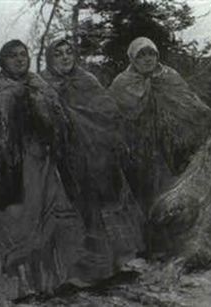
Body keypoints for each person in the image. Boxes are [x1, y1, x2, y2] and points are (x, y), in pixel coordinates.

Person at [0, 39, 87, 299]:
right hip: (3, 168)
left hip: (38, 164)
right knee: (10, 218)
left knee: (42, 216)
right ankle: (12, 284)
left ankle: (43, 281)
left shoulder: (39, 85)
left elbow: (58, 122)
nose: (20, 60)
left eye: (23, 55)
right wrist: (9, 101)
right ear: (2, 60)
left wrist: (44, 117)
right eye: (13, 56)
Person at [40, 38, 144, 280]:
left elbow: (108, 112)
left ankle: (107, 265)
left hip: (94, 158)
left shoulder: (87, 81)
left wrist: (92, 129)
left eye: (69, 52)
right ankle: (68, 268)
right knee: (68, 208)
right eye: (59, 54)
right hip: (60, 158)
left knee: (97, 208)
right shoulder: (43, 84)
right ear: (49, 58)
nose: (65, 58)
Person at [109, 37, 211, 210]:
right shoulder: (122, 84)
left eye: (152, 54)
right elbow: (112, 117)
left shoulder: (169, 76)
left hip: (174, 148)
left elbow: (191, 104)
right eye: (142, 55)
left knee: (174, 199)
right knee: (147, 200)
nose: (148, 59)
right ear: (132, 58)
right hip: (139, 152)